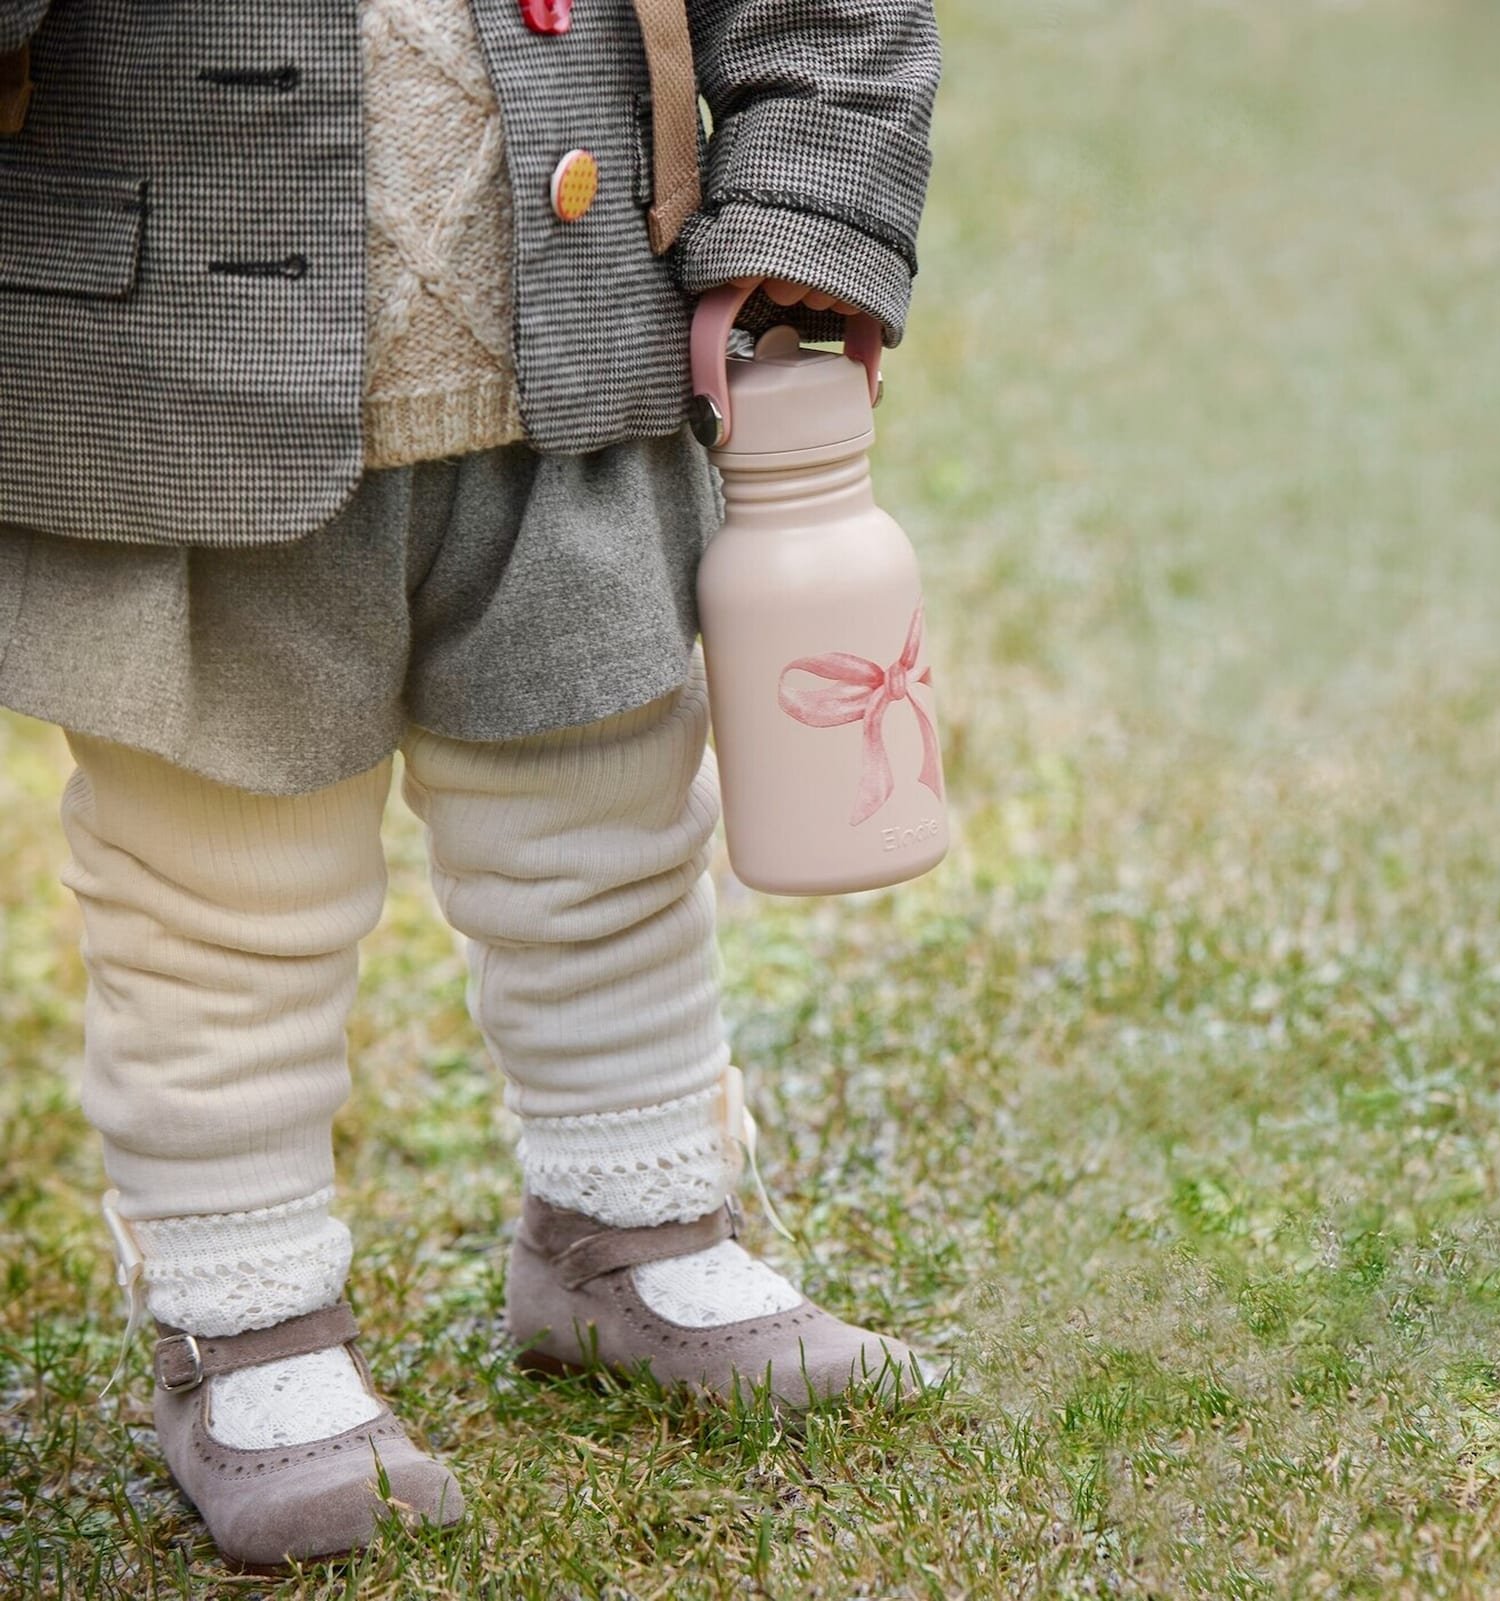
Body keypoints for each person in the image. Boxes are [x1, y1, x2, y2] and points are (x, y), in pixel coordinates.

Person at [0, 0, 938, 1568]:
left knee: (609, 819)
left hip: (578, 345)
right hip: (187, 377)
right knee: (219, 894)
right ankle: (247, 1324)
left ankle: (632, 1225)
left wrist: (806, 198)